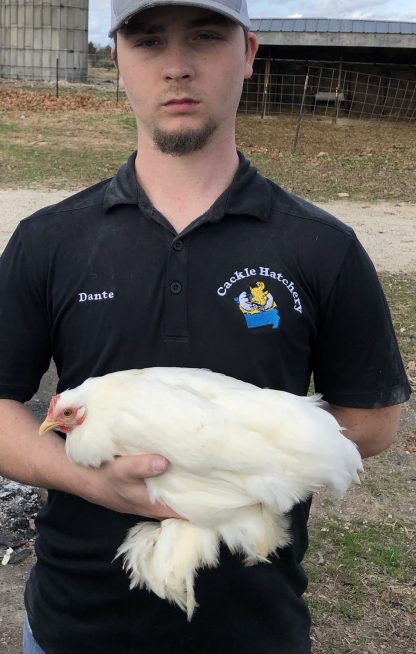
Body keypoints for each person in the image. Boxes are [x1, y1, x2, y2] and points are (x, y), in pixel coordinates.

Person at [0, 1, 411, 652]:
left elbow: (373, 421)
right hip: (73, 630)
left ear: (249, 54)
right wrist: (91, 480)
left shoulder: (320, 247)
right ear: (117, 59)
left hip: (253, 630)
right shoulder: (49, 241)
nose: (177, 66)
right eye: (148, 40)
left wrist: (226, 460)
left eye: (206, 37)